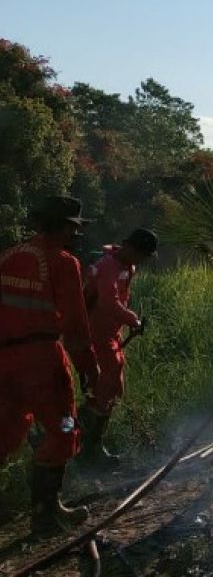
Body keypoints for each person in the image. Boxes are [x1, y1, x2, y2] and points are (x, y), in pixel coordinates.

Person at [0, 196, 101, 536]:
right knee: (65, 428)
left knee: (5, 432)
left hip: (4, 361)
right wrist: (90, 368)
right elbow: (75, 329)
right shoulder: (64, 263)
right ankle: (45, 516)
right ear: (62, 226)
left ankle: (49, 508)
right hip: (42, 363)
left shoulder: (10, 255)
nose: (76, 234)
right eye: (74, 227)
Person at [78, 227, 158, 468]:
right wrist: (133, 319)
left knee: (112, 387)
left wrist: (125, 322)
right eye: (142, 255)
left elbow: (118, 302)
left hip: (110, 333)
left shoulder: (127, 267)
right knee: (107, 383)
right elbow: (107, 301)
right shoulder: (108, 266)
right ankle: (84, 447)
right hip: (94, 332)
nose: (142, 261)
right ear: (131, 248)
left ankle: (84, 439)